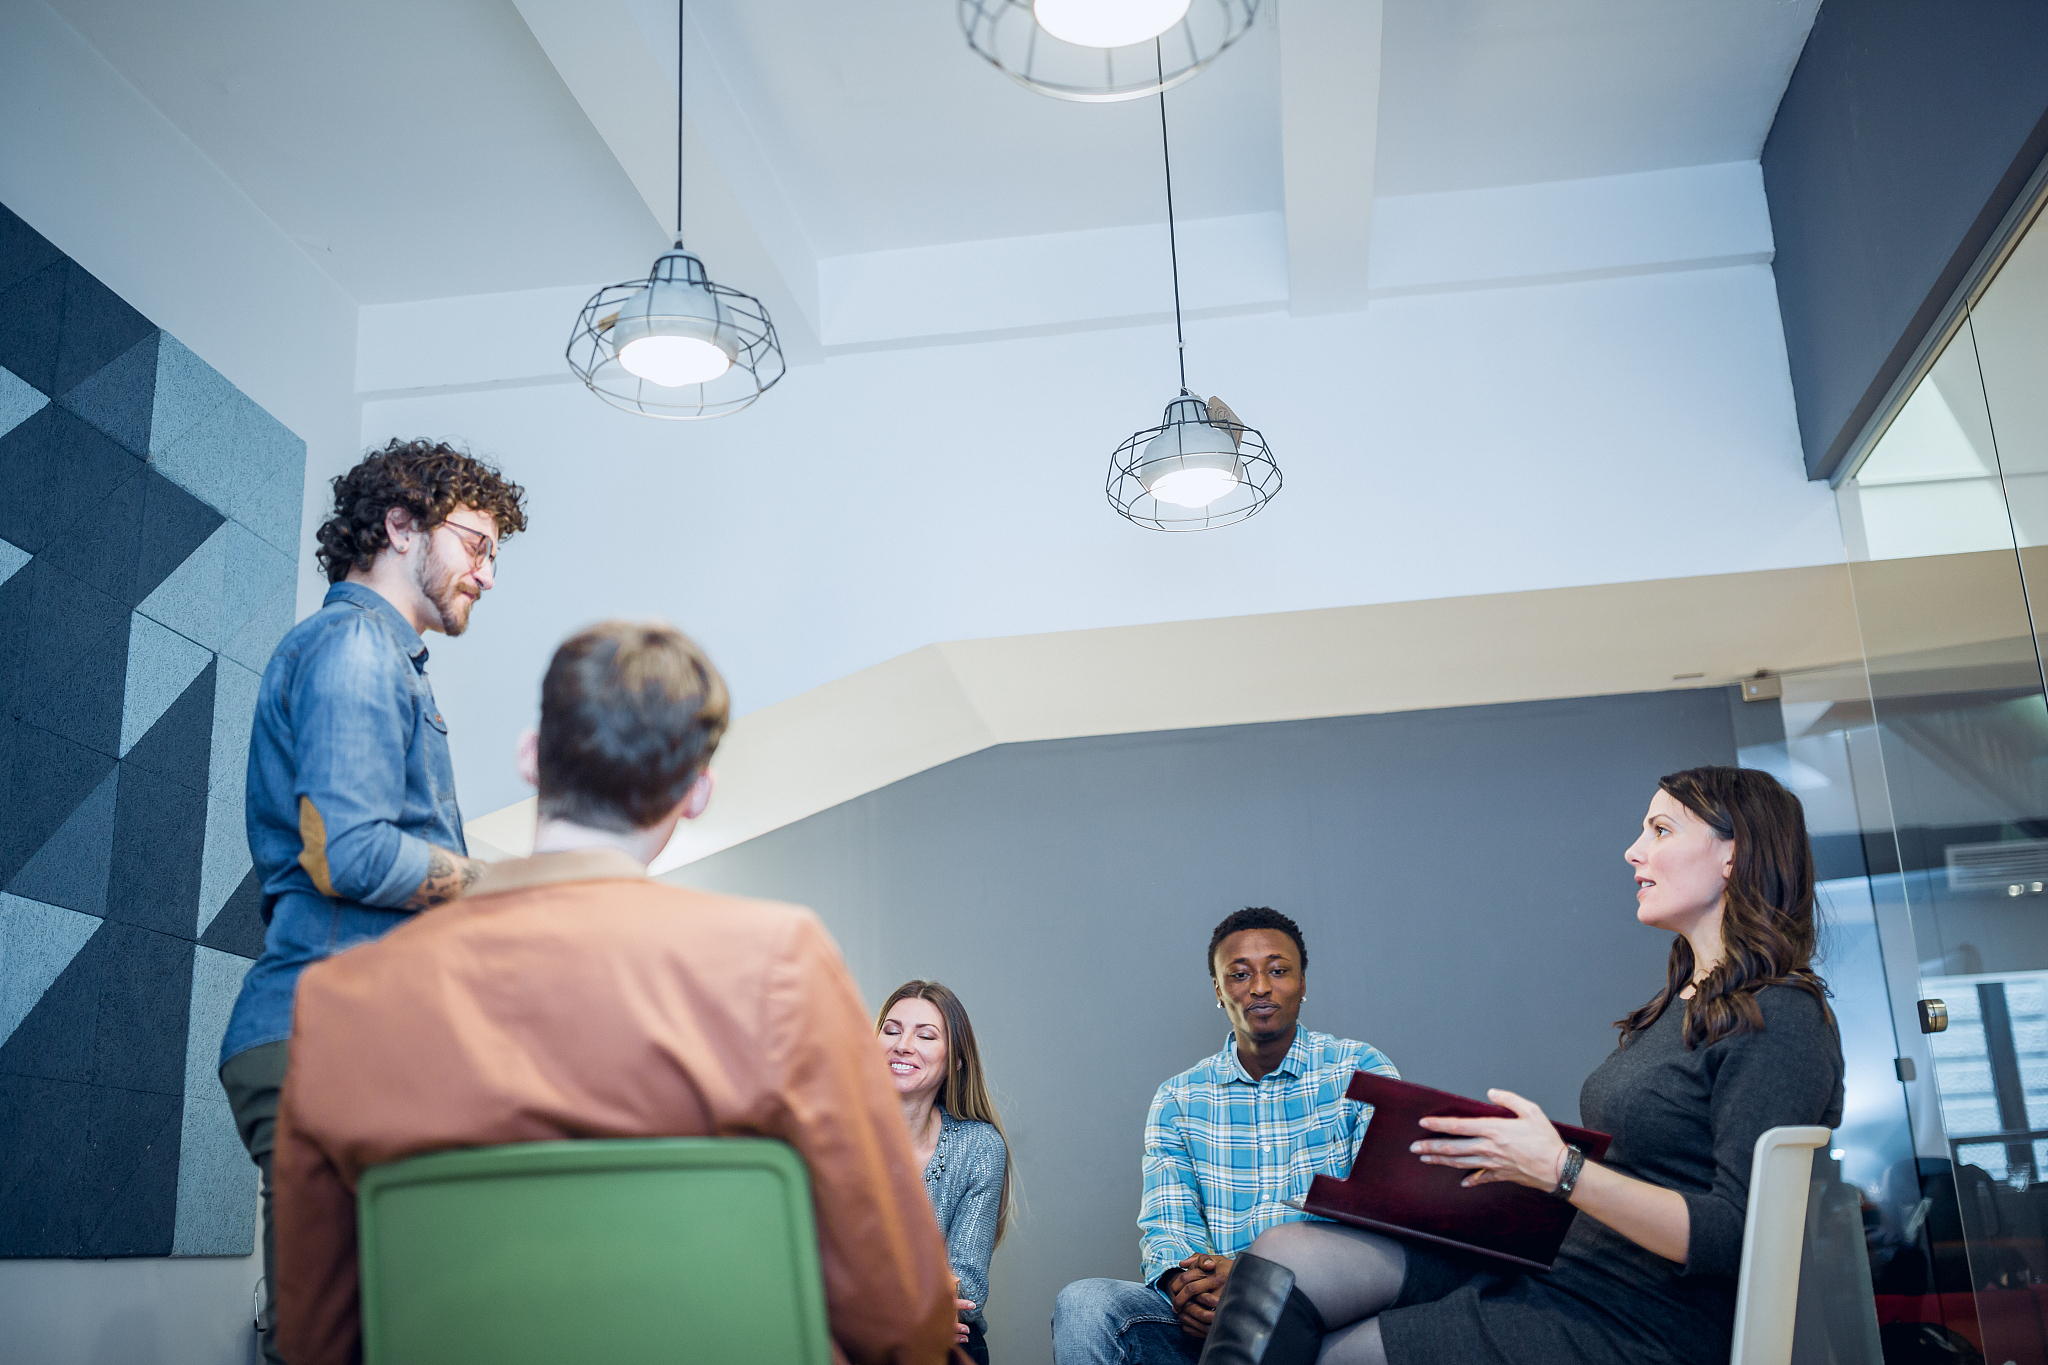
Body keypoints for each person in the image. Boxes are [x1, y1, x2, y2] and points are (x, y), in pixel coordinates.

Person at [270, 621, 958, 1365]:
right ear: (697, 792)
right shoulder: (781, 963)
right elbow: (902, 1321)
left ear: (531, 755)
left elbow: (316, 1341)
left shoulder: (339, 1000)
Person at [1195, 766, 1847, 1365]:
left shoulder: (1782, 1016)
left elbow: (1738, 1235)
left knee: (1337, 1357)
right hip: (1558, 1260)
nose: (1634, 849)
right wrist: (1511, 1164)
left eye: (1661, 828)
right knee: (1283, 1253)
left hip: (1640, 1316)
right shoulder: (1676, 1007)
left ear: (1733, 853)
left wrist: (1560, 1169)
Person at [216, 438, 526, 1364]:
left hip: (354, 1041)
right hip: (326, 1041)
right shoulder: (356, 646)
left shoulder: (383, 659)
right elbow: (345, 851)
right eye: (476, 544)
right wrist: (496, 883)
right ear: (399, 525)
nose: (488, 574)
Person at [1053, 908, 1401, 1365]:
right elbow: (1168, 1224)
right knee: (1084, 1304)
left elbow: (1383, 1217)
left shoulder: (1361, 1072)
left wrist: (1254, 1281)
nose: (1260, 987)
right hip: (1210, 1314)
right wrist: (1185, 1283)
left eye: (1278, 970)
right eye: (1239, 974)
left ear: (1302, 982)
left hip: (1322, 1305)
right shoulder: (1178, 1097)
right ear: (1219, 990)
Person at [879, 981, 1015, 1365]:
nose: (903, 1044)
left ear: (955, 1060)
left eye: (925, 1036)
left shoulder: (979, 1147)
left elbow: (964, 1292)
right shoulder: (832, 1136)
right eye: (891, 1030)